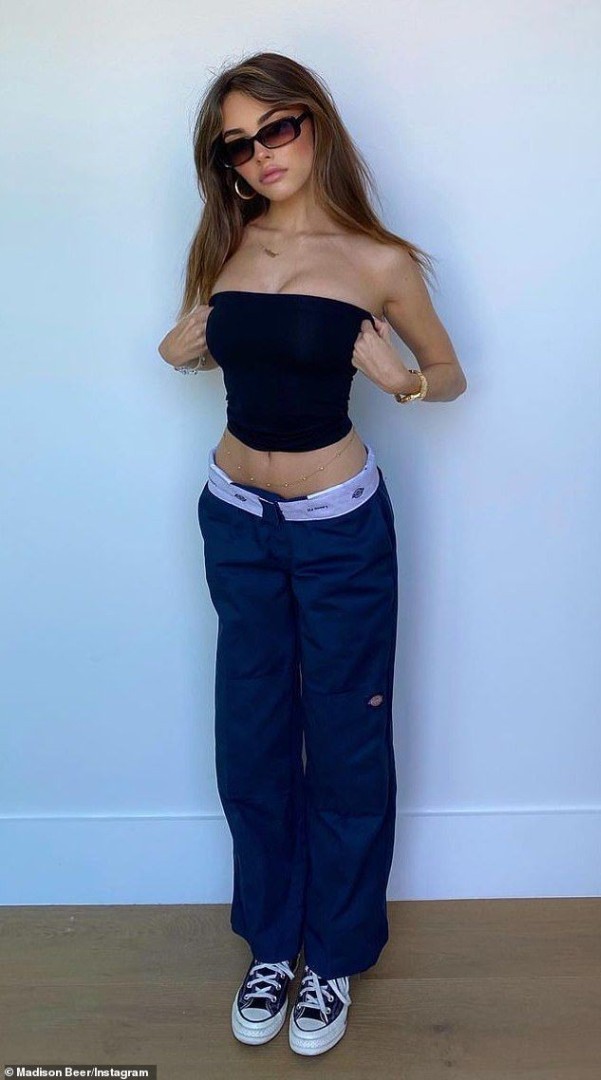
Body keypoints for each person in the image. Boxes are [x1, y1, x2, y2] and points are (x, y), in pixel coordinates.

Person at [158, 51, 467, 1058]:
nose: (259, 155)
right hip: (233, 519)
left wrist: (402, 379)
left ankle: (330, 955)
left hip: (338, 528)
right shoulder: (224, 243)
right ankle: (271, 945)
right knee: (251, 734)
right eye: (236, 146)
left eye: (275, 129)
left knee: (344, 739)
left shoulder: (379, 260)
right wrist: (177, 350)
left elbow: (448, 372)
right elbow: (220, 348)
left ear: (313, 124)